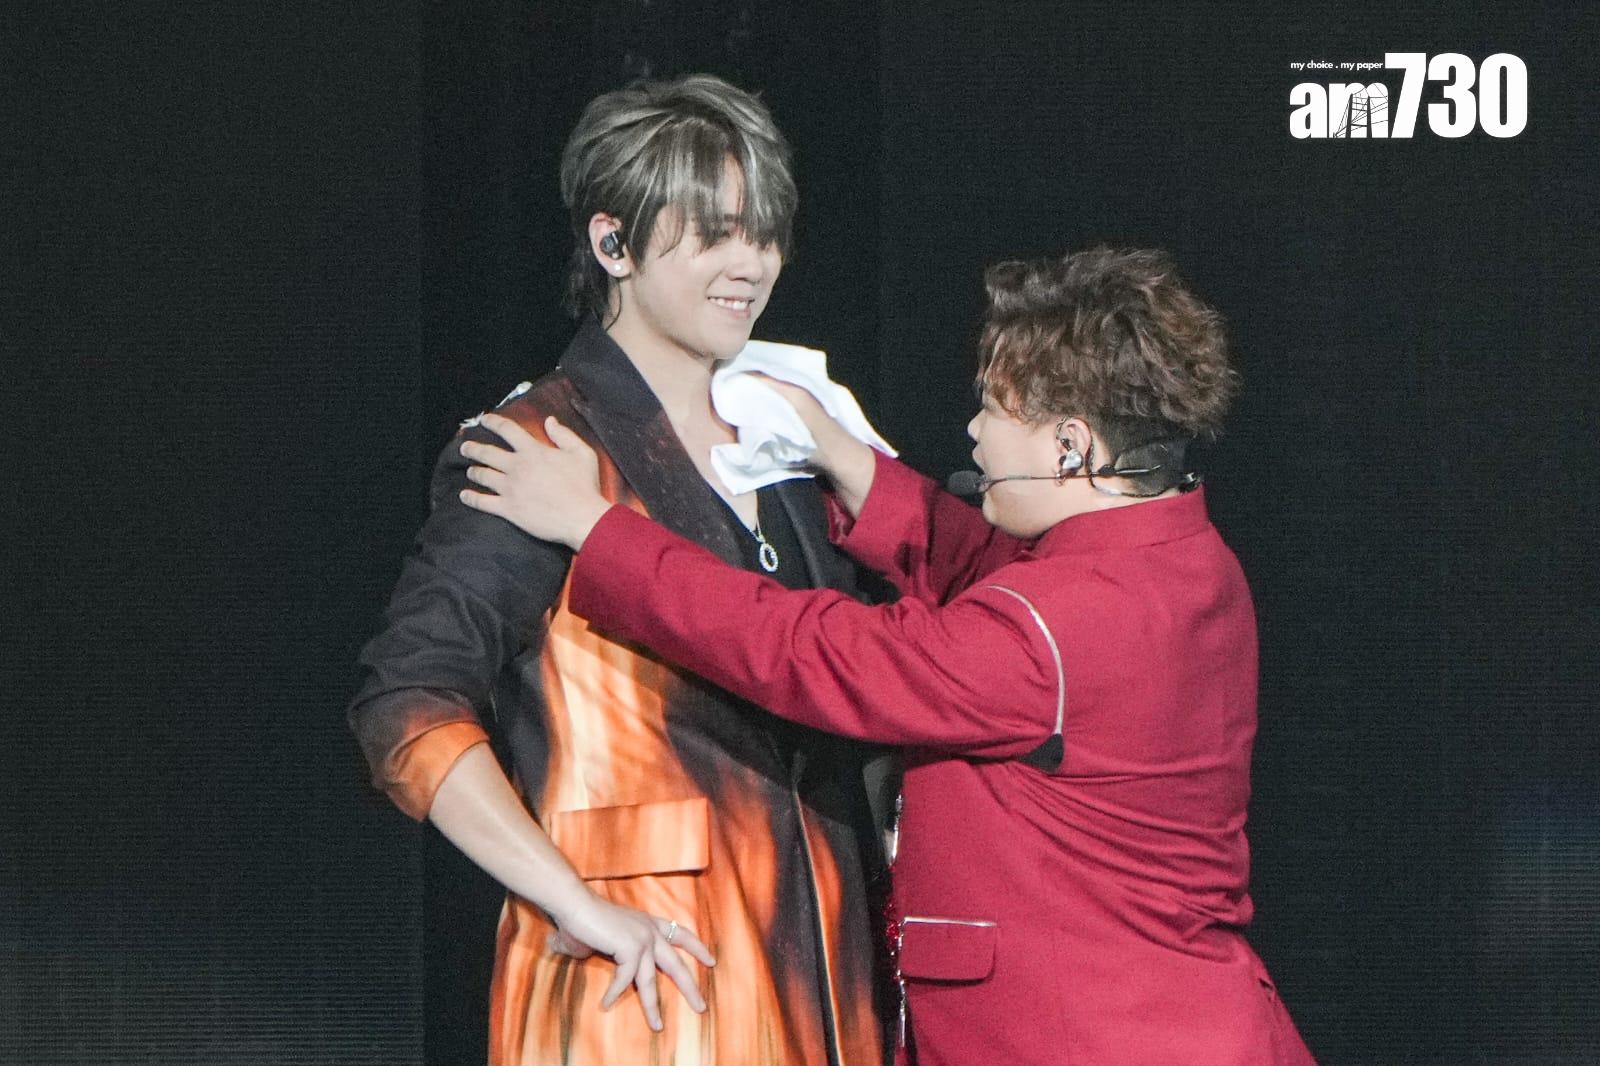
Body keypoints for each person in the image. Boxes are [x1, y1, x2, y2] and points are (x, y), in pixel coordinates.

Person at [457, 248, 1319, 1064]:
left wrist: (597, 527)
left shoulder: (1047, 632)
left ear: (1070, 446)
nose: (974, 433)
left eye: (995, 408)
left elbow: (809, 651)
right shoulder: (1184, 560)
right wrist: (838, 452)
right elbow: (994, 570)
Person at [348, 74, 887, 1065]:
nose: (751, 265)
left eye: (765, 235)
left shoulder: (788, 436)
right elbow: (407, 706)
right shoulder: (537, 445)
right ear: (613, 244)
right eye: (714, 235)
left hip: (819, 974)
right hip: (645, 984)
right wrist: (568, 897)